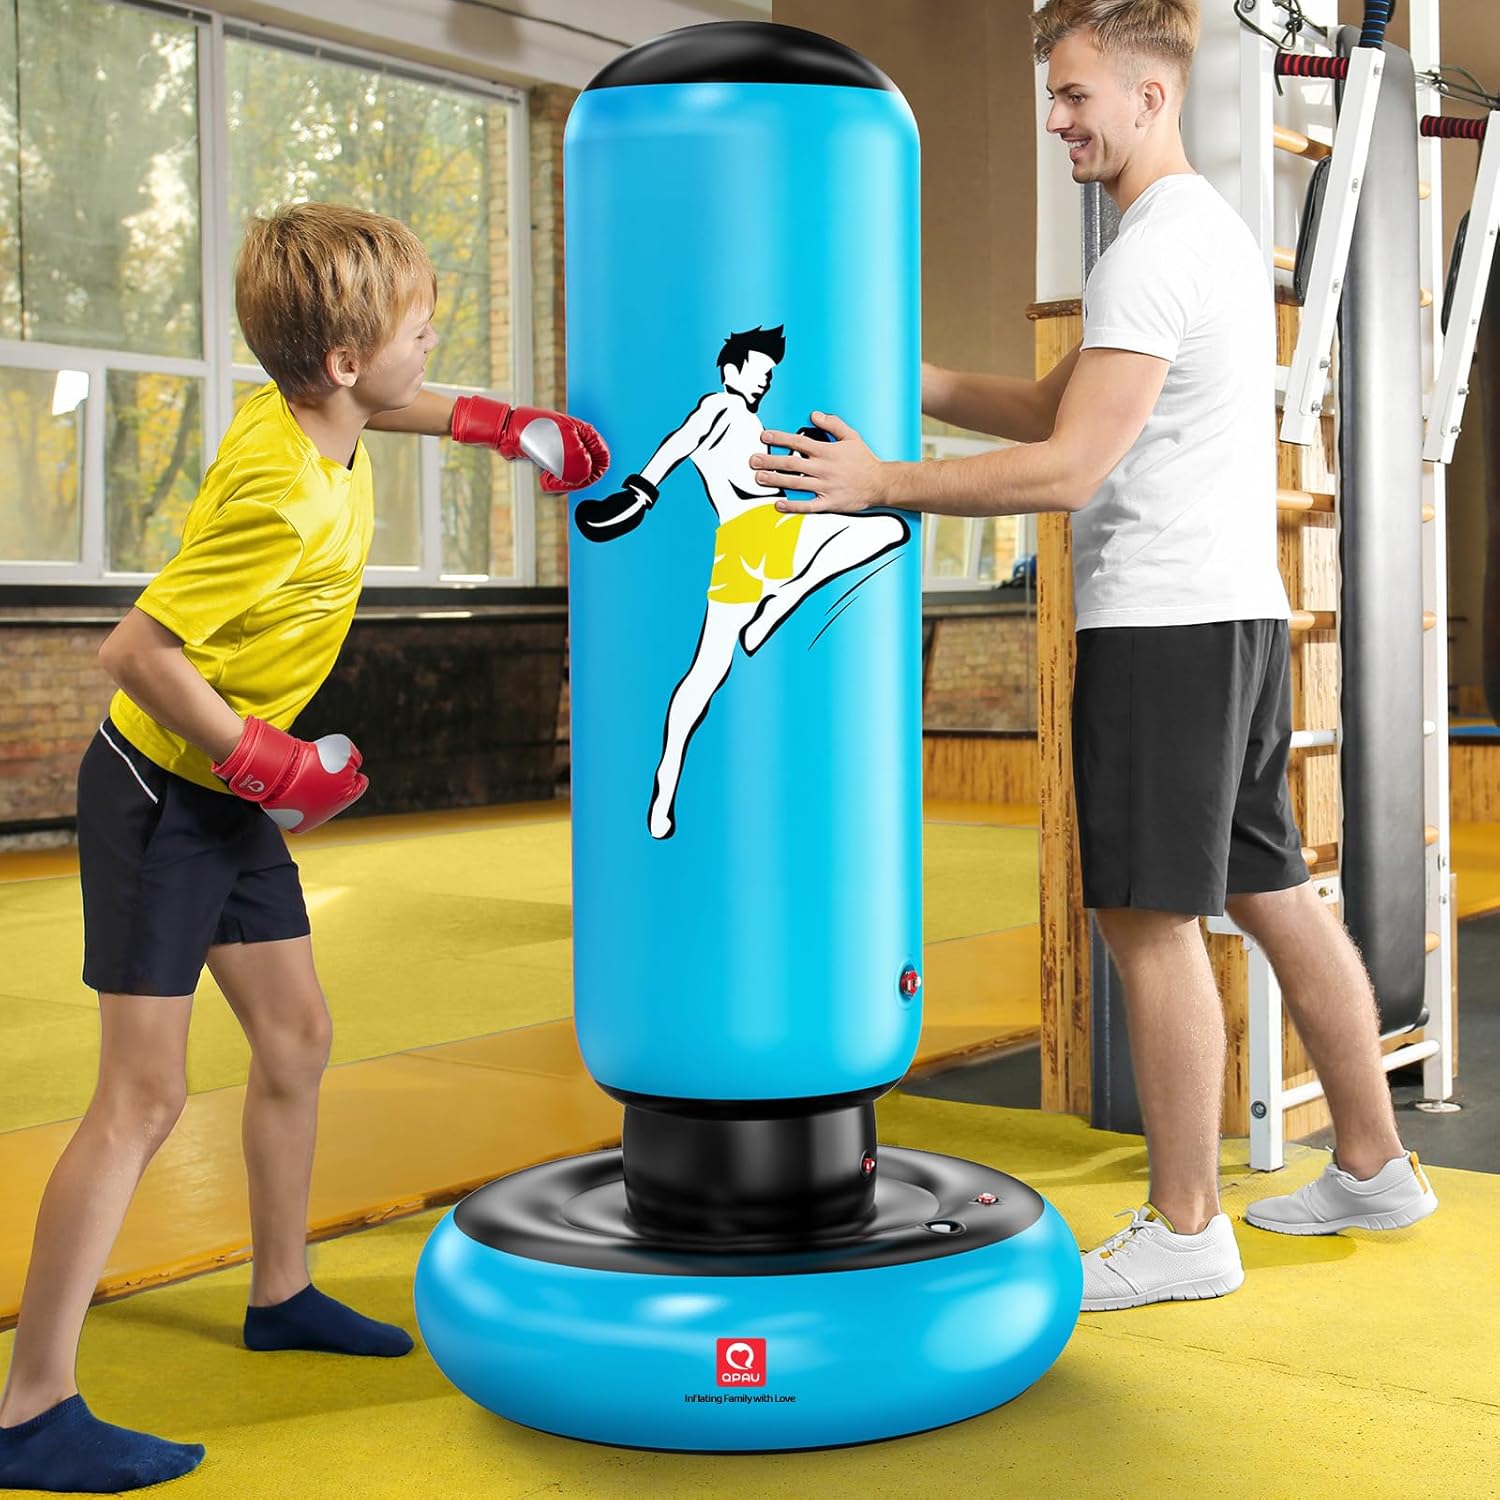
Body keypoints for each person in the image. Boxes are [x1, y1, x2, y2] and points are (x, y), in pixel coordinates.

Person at [749, 0, 1437, 1313]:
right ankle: (1374, 1162)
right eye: (1051, 95)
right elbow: (1048, 404)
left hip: (1164, 629)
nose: (1055, 118)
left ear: (1149, 96)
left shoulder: (1147, 254)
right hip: (1234, 617)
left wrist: (880, 482)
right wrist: (903, 375)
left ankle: (1187, 1228)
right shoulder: (1197, 233)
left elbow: (1067, 468)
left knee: (1146, 925)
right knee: (1275, 893)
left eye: (1074, 95)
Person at [0, 200, 607, 1493]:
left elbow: (393, 400)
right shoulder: (277, 491)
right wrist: (269, 763)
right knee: (143, 1098)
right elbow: (135, 651)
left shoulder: (316, 417)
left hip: (222, 799)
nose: (431, 342)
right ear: (340, 361)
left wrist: (501, 425)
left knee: (295, 1037)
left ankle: (281, 1293)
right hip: (162, 797)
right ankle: (31, 1407)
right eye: (418, 328)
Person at [578, 324, 905, 840]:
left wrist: (803, 456)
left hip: (735, 549)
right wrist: (640, 492)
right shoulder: (721, 408)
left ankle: (665, 788)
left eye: (770, 373)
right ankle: (781, 600)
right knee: (888, 528)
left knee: (705, 672)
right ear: (731, 370)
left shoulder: (751, 425)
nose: (765, 380)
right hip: (771, 530)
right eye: (758, 370)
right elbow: (681, 442)